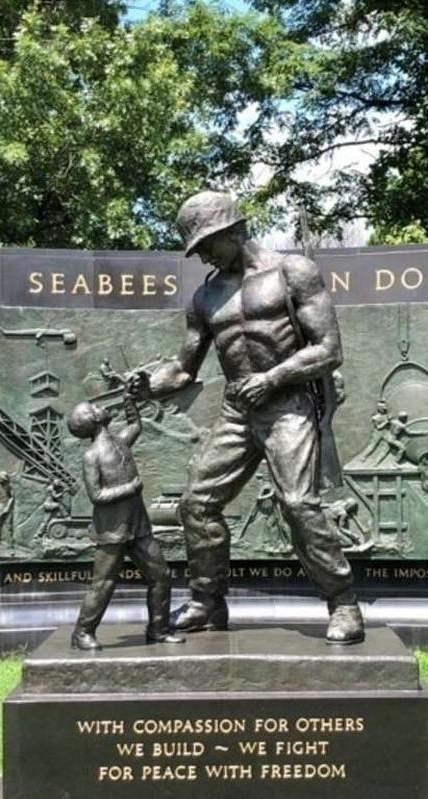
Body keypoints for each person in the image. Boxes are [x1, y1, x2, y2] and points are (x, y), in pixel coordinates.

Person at [141, 190, 362, 644]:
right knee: (196, 505)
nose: (201, 254)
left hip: (288, 406)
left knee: (298, 504)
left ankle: (342, 603)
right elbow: (184, 369)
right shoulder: (206, 296)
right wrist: (150, 385)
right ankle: (207, 603)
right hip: (238, 411)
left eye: (205, 243)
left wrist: (275, 377)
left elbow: (328, 350)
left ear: (230, 231)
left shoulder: (293, 271)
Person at [67, 389, 183, 650]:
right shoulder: (91, 456)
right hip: (112, 531)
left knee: (161, 576)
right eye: (93, 408)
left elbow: (135, 425)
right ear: (92, 420)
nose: (100, 407)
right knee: (103, 583)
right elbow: (96, 494)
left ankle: (158, 629)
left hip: (137, 525)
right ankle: (82, 632)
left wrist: (130, 400)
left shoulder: (120, 441)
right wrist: (130, 488)